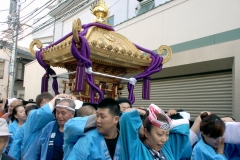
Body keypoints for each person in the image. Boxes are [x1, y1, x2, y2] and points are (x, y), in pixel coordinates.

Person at [120, 103, 189, 160]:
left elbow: (183, 127)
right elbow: (126, 117)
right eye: (159, 134)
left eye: (167, 134)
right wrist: (146, 113)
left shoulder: (167, 148)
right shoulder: (135, 149)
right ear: (146, 132)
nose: (164, 140)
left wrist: (165, 118)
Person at [21, 93, 68, 158]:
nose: (47, 104)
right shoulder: (33, 115)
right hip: (31, 155)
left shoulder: (56, 119)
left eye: (49, 101)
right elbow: (44, 112)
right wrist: (56, 98)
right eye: (43, 102)